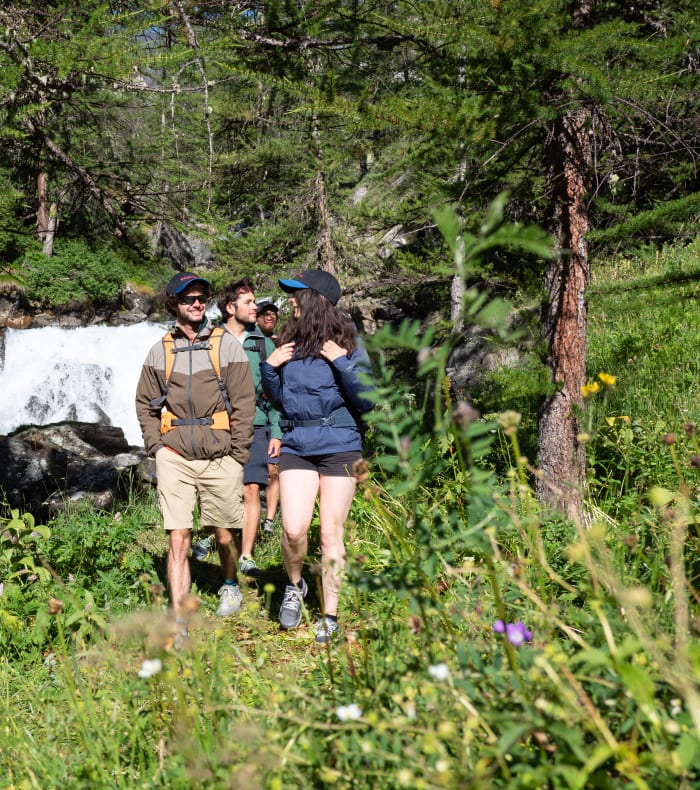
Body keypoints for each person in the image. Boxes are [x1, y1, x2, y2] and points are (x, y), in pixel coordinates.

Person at [135, 272, 255, 637]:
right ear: (175, 304)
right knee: (178, 537)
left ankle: (230, 584)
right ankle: (180, 618)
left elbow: (244, 402)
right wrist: (157, 447)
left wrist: (238, 452)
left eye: (201, 297)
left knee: (223, 533)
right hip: (174, 456)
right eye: (189, 299)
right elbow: (144, 403)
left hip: (220, 455)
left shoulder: (225, 345)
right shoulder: (161, 349)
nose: (197, 303)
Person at [260, 269, 374, 643]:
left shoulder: (349, 340)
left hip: (340, 443)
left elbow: (368, 400)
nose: (289, 300)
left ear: (315, 299)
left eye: (296, 294)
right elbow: (278, 399)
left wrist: (342, 362)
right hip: (297, 443)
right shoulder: (289, 340)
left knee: (329, 533)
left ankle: (330, 614)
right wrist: (270, 368)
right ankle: (295, 586)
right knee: (293, 528)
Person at [217, 283, 282, 575]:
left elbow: (277, 393)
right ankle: (216, 538)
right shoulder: (211, 340)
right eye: (249, 302)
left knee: (252, 489)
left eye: (255, 301)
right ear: (231, 308)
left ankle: (246, 554)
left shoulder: (264, 343)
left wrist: (277, 433)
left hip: (256, 424)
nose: (255, 307)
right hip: (219, 426)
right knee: (221, 491)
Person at [256, 300, 281, 534]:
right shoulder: (248, 343)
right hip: (256, 415)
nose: (269, 316)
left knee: (274, 469)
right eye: (264, 313)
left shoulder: (281, 343)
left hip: (274, 413)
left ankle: (270, 520)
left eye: (273, 313)